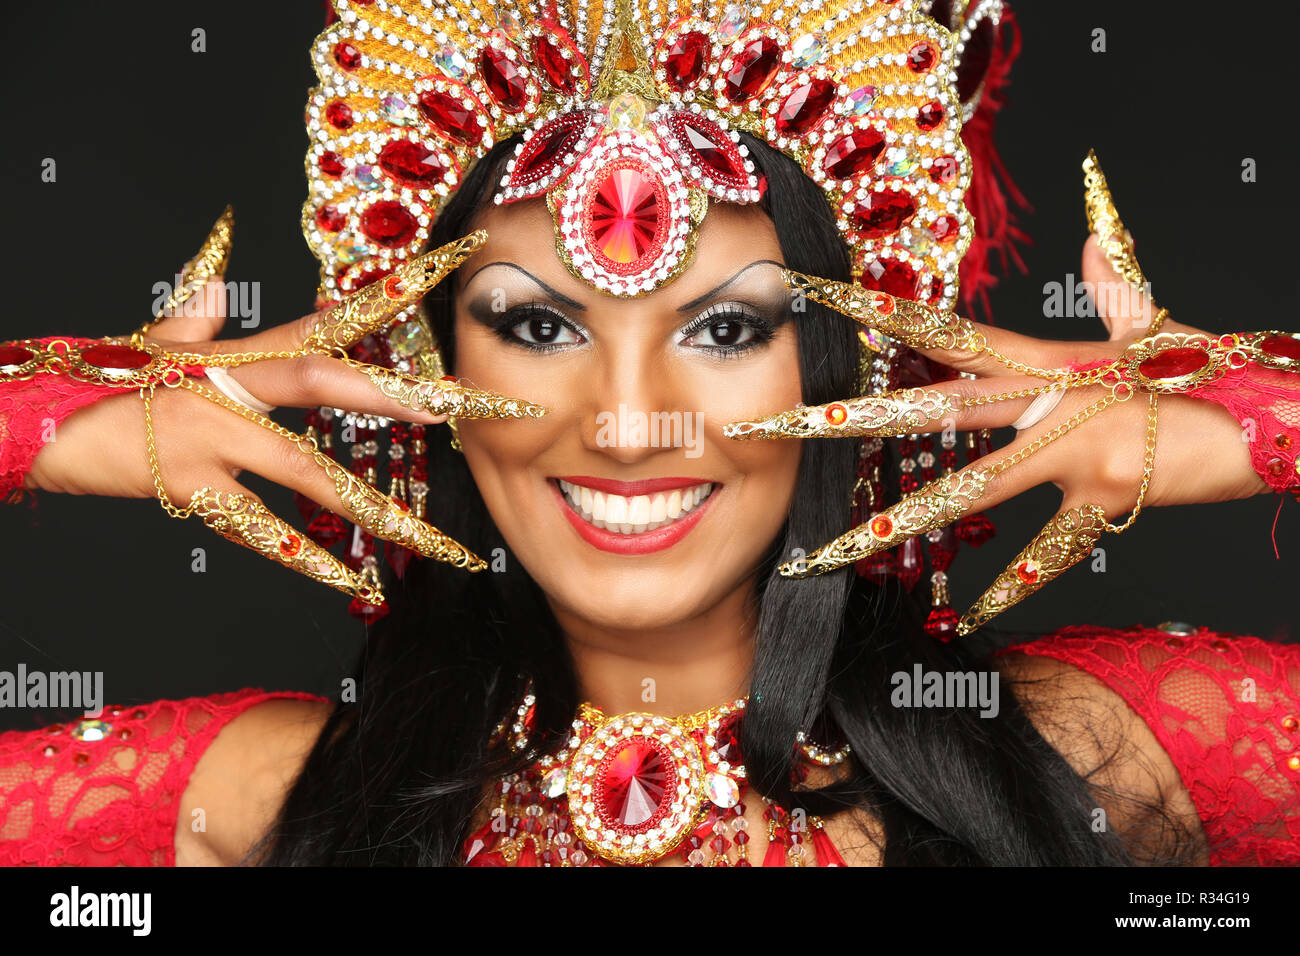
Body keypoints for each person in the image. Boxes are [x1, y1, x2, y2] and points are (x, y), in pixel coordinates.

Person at [1, 0, 1298, 867]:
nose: (624, 424)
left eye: (727, 330)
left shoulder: (1078, 754)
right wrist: (54, 419)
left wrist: (1252, 416)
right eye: (537, 325)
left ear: (847, 363)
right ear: (424, 365)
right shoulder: (270, 800)